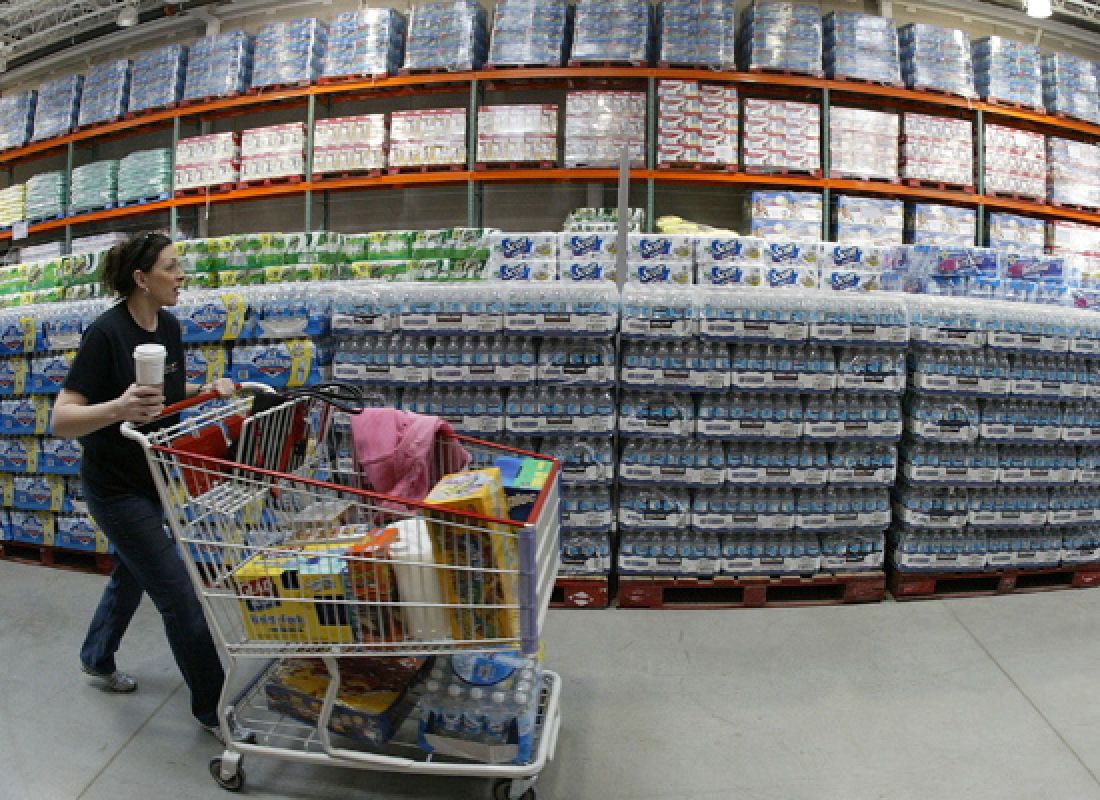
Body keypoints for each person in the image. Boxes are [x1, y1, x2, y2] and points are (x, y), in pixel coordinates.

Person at [51, 231, 249, 745]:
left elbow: (164, 394)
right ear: (141, 278)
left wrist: (206, 389)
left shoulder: (169, 326)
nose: (181, 275)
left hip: (154, 477)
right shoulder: (106, 334)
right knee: (180, 597)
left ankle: (96, 657)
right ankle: (214, 710)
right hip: (114, 488)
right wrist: (118, 407)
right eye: (170, 266)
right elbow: (62, 418)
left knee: (132, 571)